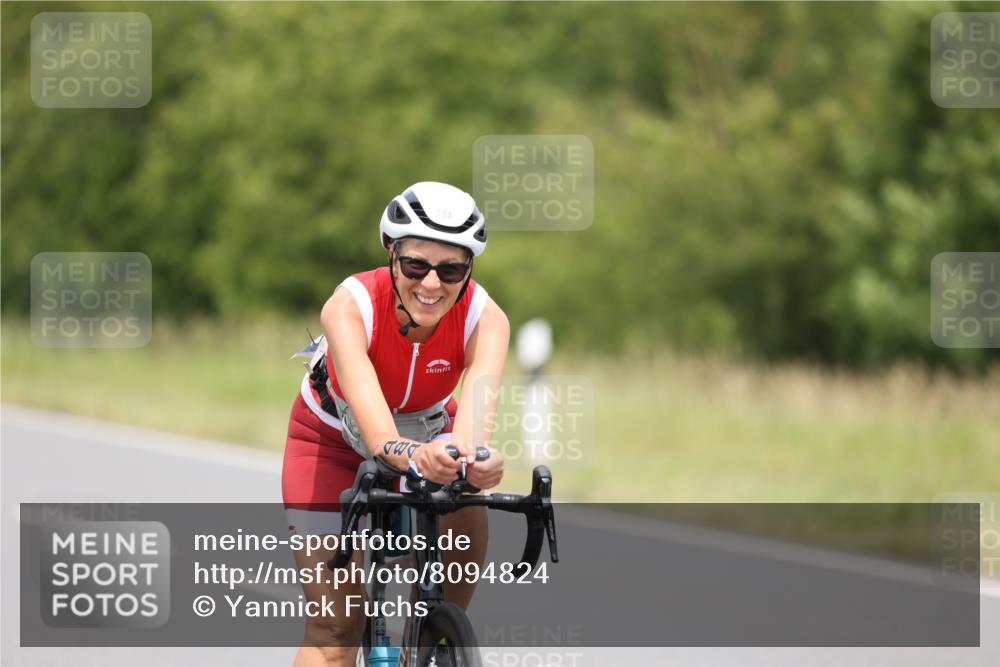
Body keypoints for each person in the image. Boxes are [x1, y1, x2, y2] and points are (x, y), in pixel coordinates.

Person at [282, 181, 509, 666]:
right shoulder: (350, 306)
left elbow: (471, 435)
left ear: (469, 268)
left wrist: (479, 463)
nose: (432, 284)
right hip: (332, 442)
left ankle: (433, 636)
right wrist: (415, 457)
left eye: (451, 269)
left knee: (467, 492)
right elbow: (380, 437)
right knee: (336, 628)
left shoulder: (486, 320)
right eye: (416, 265)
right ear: (392, 253)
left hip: (427, 428)